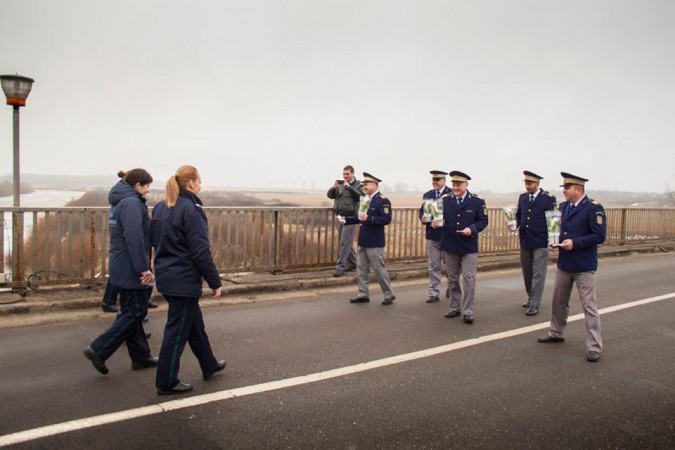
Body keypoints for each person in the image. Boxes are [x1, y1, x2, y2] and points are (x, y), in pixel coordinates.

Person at [151, 165, 226, 395]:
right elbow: (200, 251)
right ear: (191, 183)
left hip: (167, 276)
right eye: (199, 181)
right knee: (176, 333)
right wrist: (214, 281)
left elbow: (153, 240)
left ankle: (209, 364)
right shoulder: (192, 211)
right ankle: (166, 381)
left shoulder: (162, 207)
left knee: (194, 324)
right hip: (183, 280)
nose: (200, 185)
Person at [83, 169, 157, 375]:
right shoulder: (132, 203)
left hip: (122, 263)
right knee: (136, 312)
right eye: (147, 186)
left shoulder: (120, 201)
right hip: (131, 266)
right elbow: (134, 238)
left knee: (131, 310)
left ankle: (141, 357)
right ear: (137, 185)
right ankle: (99, 349)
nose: (148, 191)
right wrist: (143, 268)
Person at [538, 172, 606, 363]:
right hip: (565, 263)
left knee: (589, 306)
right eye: (564, 188)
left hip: (584, 265)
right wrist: (554, 242)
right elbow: (558, 231)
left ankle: (594, 346)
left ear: (579, 189)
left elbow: (599, 236)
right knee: (558, 302)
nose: (564, 191)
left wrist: (575, 243)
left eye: (567, 188)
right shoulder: (563, 207)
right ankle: (556, 332)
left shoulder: (593, 208)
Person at [437, 171, 488, 324]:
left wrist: (472, 229)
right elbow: (437, 216)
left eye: (459, 185)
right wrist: (437, 221)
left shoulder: (477, 201)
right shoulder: (445, 200)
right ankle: (454, 307)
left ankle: (468, 311)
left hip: (468, 245)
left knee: (468, 278)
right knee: (452, 278)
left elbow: (483, 221)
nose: (455, 188)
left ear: (466, 185)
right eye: (454, 185)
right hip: (450, 244)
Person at [340, 172, 396, 305]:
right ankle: (363, 294)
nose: (364, 187)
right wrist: (346, 220)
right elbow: (360, 217)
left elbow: (386, 219)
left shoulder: (382, 200)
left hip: (375, 241)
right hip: (363, 240)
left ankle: (389, 294)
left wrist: (370, 218)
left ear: (375, 185)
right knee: (361, 269)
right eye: (363, 184)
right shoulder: (365, 199)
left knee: (379, 269)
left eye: (366, 184)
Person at [515, 170, 557, 316]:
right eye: (526, 183)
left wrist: (554, 240)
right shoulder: (523, 197)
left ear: (537, 184)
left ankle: (535, 303)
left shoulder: (548, 198)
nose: (527, 186)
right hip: (525, 240)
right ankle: (530, 296)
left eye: (530, 183)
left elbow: (553, 220)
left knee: (538, 274)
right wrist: (514, 224)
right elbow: (519, 216)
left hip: (540, 240)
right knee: (527, 273)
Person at [419, 170, 451, 303]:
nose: (435, 182)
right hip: (432, 234)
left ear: (444, 180)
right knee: (434, 265)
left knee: (450, 265)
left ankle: (452, 287)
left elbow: (455, 213)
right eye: (433, 180)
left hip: (447, 235)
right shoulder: (428, 195)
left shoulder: (451, 194)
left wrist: (445, 221)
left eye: (437, 180)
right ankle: (434, 292)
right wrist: (423, 218)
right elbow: (422, 211)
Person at [327, 165, 363, 277]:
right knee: (346, 242)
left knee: (344, 242)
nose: (345, 176)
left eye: (347, 174)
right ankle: (354, 263)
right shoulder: (341, 184)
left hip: (351, 218)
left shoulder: (358, 185)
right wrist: (333, 188)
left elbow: (361, 197)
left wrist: (350, 188)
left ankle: (340, 267)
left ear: (353, 174)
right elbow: (330, 196)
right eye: (344, 174)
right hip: (340, 217)